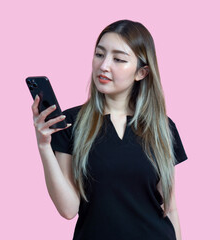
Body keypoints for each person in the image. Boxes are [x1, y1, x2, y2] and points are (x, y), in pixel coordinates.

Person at [31, 19, 188, 240]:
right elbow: (68, 209)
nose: (104, 66)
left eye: (119, 59)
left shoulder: (163, 127)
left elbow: (169, 208)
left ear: (141, 73)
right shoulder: (70, 122)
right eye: (99, 54)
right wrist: (44, 146)